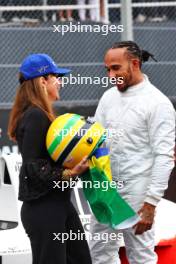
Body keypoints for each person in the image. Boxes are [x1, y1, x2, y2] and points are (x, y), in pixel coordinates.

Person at [89, 41, 175, 264]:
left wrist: (151, 203)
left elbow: (164, 156)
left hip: (137, 193)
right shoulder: (108, 97)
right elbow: (96, 140)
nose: (110, 75)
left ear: (135, 64)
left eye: (116, 68)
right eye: (107, 69)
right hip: (106, 189)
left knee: (141, 256)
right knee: (100, 253)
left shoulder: (158, 103)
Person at [8, 53, 92, 264]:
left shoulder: (40, 114)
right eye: (57, 76)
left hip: (59, 204)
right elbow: (33, 168)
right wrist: (70, 172)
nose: (61, 82)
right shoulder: (35, 115)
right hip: (44, 209)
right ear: (43, 81)